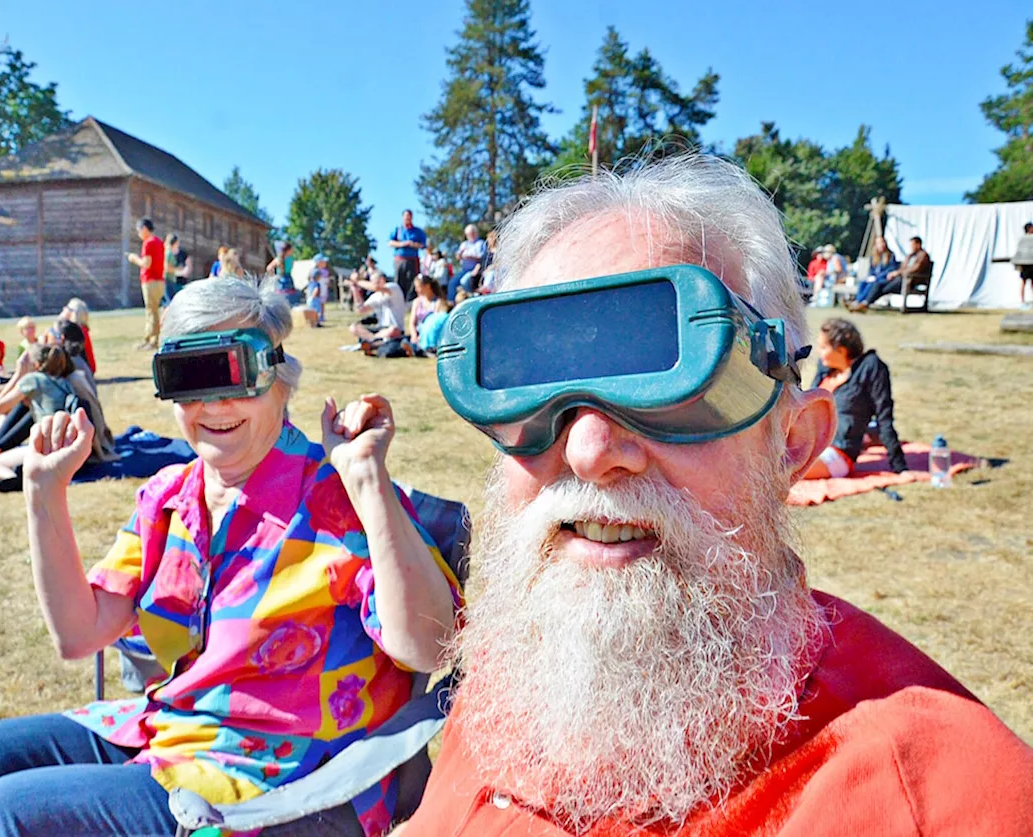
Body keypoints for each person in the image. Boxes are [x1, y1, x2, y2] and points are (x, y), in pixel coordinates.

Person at [398, 155, 1033, 836]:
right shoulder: (516, 671)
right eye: (536, 382)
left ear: (791, 439)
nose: (587, 451)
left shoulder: (943, 801)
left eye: (670, 381)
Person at [0, 277, 461, 836]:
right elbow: (78, 632)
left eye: (233, 374)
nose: (214, 405)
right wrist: (44, 490)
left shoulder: (337, 497)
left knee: (4, 816)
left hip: (278, 781)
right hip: (172, 732)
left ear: (279, 379)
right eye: (190, 379)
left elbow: (430, 647)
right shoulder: (169, 497)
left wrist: (368, 482)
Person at [0, 343, 115, 491]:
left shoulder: (33, 380)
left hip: (49, 447)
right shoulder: (64, 382)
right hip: (70, 447)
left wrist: (19, 374)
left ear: (36, 364)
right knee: (26, 411)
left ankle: (12, 477)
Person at [803, 318, 908, 479]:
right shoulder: (825, 368)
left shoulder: (871, 368)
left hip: (837, 453)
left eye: (823, 347)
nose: (818, 351)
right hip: (806, 444)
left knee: (782, 472)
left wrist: (900, 467)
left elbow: (884, 417)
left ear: (841, 350)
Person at [848, 236, 932, 312]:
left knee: (878, 286)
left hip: (910, 280)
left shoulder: (923, 256)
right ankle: (862, 303)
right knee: (875, 285)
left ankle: (864, 303)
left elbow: (915, 268)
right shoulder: (910, 256)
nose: (911, 247)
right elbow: (901, 267)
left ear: (918, 244)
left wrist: (897, 272)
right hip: (899, 279)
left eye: (912, 245)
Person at [128, 218, 167, 350]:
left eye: (139, 230)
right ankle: (151, 338)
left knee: (151, 312)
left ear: (144, 228)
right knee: (154, 311)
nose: (138, 233)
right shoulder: (159, 242)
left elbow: (146, 263)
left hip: (150, 281)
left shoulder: (148, 243)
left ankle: (152, 340)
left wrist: (134, 259)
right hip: (160, 281)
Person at [348, 271, 407, 344]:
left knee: (393, 330)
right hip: (381, 329)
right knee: (353, 327)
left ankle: (372, 340)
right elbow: (361, 309)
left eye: (373, 280)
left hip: (394, 328)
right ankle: (375, 340)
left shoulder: (393, 287)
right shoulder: (375, 296)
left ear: (382, 279)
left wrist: (357, 281)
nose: (370, 283)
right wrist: (355, 290)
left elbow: (375, 287)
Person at [848, 235, 900, 308]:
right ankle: (858, 300)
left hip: (884, 279)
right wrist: (871, 276)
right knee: (863, 283)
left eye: (882, 242)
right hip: (874, 278)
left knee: (872, 284)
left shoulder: (890, 255)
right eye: (879, 243)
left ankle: (859, 302)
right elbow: (871, 269)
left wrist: (877, 277)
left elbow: (891, 269)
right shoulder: (874, 257)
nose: (881, 245)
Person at [388, 209, 427, 299]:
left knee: (412, 281)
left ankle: (411, 301)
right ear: (402, 217)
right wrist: (402, 244)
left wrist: (413, 244)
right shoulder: (397, 230)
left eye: (409, 217)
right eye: (406, 217)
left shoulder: (418, 231)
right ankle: (398, 300)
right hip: (399, 259)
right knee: (398, 281)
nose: (407, 219)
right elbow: (390, 243)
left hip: (412, 260)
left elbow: (423, 245)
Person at [451, 224, 488, 301]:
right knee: (452, 283)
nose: (469, 236)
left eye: (471, 233)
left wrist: (470, 257)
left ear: (475, 233)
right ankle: (451, 303)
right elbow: (457, 257)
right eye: (468, 234)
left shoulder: (481, 243)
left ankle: (471, 299)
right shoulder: (464, 244)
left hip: (476, 269)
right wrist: (459, 254)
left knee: (464, 281)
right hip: (464, 270)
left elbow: (483, 258)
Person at [407, 274, 442, 347]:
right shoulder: (416, 302)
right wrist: (414, 336)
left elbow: (435, 324)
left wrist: (422, 337)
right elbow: (412, 323)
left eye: (418, 287)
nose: (416, 290)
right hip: (418, 334)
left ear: (427, 286)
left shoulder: (438, 302)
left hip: (430, 334)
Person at [163, 233, 189, 305]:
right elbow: (166, 268)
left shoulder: (169, 253)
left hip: (170, 280)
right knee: (170, 304)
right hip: (167, 280)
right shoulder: (168, 253)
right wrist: (179, 270)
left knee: (168, 304)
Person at [1013, 221, 1033, 308]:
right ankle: (1022, 301)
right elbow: (1019, 252)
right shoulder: (1023, 239)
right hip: (1025, 265)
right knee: (1023, 283)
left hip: (1032, 264)